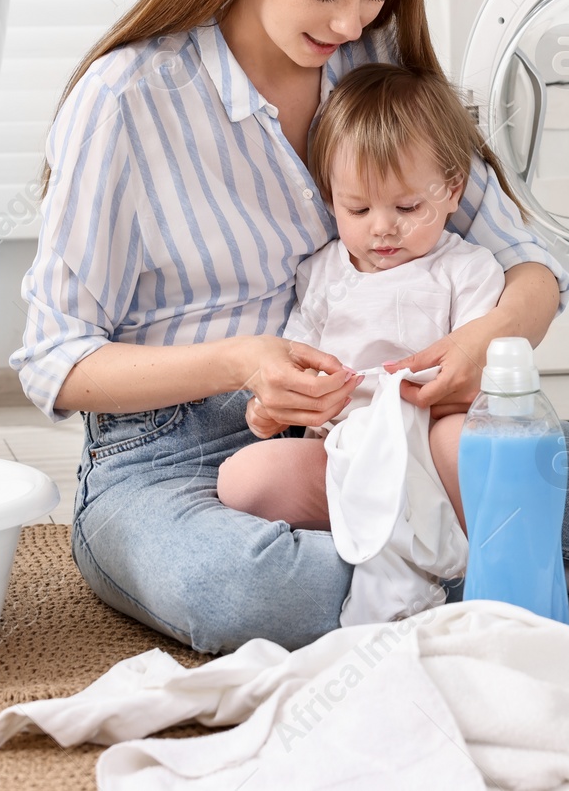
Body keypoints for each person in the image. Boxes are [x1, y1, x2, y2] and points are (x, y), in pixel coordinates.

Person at [11, 0, 569, 655]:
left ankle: (452, 561)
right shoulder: (126, 99)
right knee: (239, 586)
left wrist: (489, 343)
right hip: (165, 457)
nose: (352, 22)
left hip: (395, 431)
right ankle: (504, 565)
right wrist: (242, 363)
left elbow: (530, 266)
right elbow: (54, 358)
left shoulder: (372, 70)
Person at [216, 61, 506, 625]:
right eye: (357, 209)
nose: (382, 229)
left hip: (429, 435)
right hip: (349, 448)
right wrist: (275, 408)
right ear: (330, 198)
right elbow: (295, 362)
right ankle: (382, 531)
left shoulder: (467, 270)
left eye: (406, 208)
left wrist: (456, 392)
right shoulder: (323, 275)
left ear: (451, 189)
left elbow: (484, 378)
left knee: (463, 442)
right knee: (243, 477)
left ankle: (481, 556)